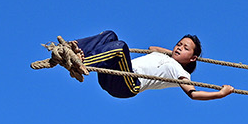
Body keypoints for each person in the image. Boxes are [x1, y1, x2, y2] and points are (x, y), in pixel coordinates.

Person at [65, 32, 234, 101]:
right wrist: (174, 54)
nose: (179, 48)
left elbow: (194, 94)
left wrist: (220, 93)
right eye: (179, 44)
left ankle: (82, 62)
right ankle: (71, 50)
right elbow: (152, 48)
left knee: (120, 47)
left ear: (193, 58)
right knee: (110, 35)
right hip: (113, 77)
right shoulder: (166, 57)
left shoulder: (180, 71)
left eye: (185, 48)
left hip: (128, 85)